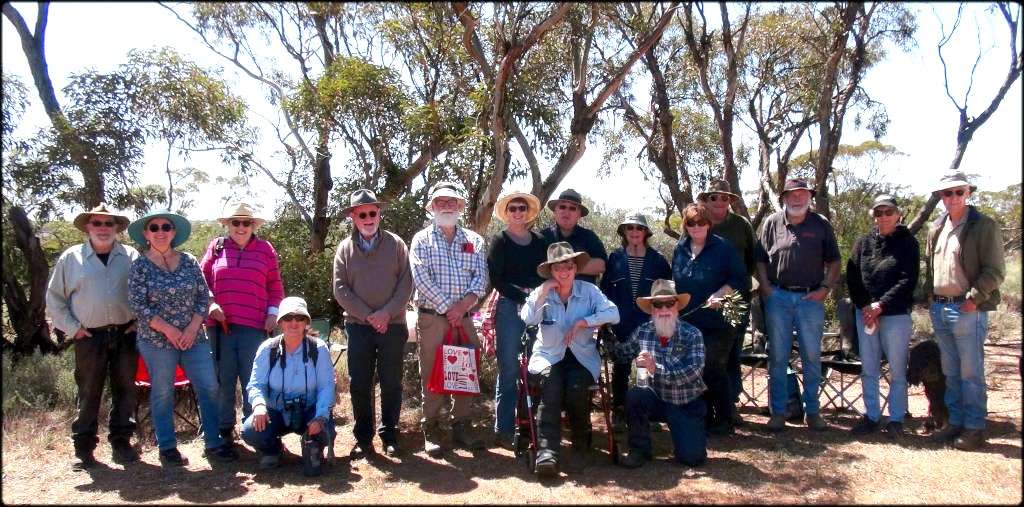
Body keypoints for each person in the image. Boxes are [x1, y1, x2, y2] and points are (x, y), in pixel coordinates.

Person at [127, 210, 237, 467]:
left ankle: (213, 442)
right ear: (146, 234)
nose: (161, 231)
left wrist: (191, 328)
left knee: (209, 387)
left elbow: (203, 295)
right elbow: (138, 306)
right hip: (157, 342)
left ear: (174, 232)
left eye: (166, 227)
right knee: (163, 392)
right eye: (154, 228)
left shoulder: (188, 261)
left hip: (194, 338)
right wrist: (169, 330)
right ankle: (167, 448)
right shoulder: (139, 266)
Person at [46, 204, 140, 471]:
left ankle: (122, 442)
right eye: (97, 223)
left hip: (125, 333)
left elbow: (145, 292)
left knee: (126, 389)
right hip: (89, 335)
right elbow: (54, 299)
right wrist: (73, 328)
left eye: (108, 224)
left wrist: (138, 322)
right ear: (88, 226)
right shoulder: (71, 258)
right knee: (88, 391)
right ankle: (84, 448)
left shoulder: (130, 256)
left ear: (116, 228)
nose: (103, 228)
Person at [521, 242, 619, 477]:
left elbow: (613, 314)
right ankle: (547, 452)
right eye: (557, 268)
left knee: (576, 388)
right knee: (551, 388)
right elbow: (528, 318)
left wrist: (584, 321)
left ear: (576, 268)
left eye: (568, 267)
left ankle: (580, 444)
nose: (563, 272)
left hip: (581, 357)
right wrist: (543, 291)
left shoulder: (589, 291)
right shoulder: (542, 292)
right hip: (548, 356)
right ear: (551, 271)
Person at [925, 172, 1005, 451]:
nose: (953, 198)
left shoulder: (983, 226)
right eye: (947, 193)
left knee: (971, 372)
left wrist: (973, 299)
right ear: (941, 197)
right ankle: (954, 422)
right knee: (951, 370)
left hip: (967, 309)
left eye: (959, 192)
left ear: (968, 193)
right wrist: (928, 297)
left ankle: (974, 428)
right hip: (940, 308)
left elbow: (995, 271)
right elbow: (931, 268)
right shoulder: (937, 227)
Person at [409, 182, 489, 457]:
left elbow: (481, 278)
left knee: (464, 371)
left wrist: (463, 306)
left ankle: (461, 425)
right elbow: (420, 278)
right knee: (431, 371)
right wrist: (448, 309)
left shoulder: (474, 241)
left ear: (460, 207)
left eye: (451, 202)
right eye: (440, 202)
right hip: (433, 318)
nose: (446, 206)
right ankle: (430, 428)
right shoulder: (421, 240)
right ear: (431, 207)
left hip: (464, 317)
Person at [755, 178, 841, 433]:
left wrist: (825, 289)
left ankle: (813, 412)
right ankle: (778, 413)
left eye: (802, 194)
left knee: (811, 357)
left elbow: (835, 262)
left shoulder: (821, 224)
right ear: (783, 197)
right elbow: (759, 260)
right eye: (792, 194)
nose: (797, 198)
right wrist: (766, 288)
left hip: (810, 300)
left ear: (809, 197)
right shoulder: (771, 223)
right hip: (778, 298)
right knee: (778, 357)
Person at [332, 189, 413, 458]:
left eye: (372, 213)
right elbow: (340, 289)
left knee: (391, 382)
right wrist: (369, 315)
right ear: (353, 217)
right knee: (359, 384)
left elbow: (406, 285)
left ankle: (390, 434)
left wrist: (386, 314)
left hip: (393, 325)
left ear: (379, 214)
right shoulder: (344, 249)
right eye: (362, 214)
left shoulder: (397, 244)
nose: (368, 218)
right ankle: (363, 438)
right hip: (358, 326)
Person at [200, 202, 285, 445]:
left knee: (253, 380)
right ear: (227, 224)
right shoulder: (216, 248)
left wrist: (273, 313)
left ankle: (255, 430)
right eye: (235, 222)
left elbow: (274, 286)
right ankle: (224, 431)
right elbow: (201, 280)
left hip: (255, 327)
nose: (240, 227)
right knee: (223, 380)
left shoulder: (265, 250)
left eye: (246, 222)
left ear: (252, 225)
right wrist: (210, 303)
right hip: (220, 327)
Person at [846, 195, 920, 440]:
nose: (884, 217)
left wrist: (881, 305)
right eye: (879, 213)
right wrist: (866, 306)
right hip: (865, 314)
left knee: (898, 369)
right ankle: (872, 416)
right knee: (869, 368)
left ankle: (896, 418)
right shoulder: (863, 243)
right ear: (874, 216)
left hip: (895, 314)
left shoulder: (909, 243)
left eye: (889, 212)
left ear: (898, 214)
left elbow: (907, 280)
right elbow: (853, 276)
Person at [672, 204, 749, 435]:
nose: (697, 227)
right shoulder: (680, 249)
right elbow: (674, 280)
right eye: (691, 223)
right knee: (695, 368)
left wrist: (720, 294)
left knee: (714, 366)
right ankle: (703, 418)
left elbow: (740, 279)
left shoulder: (723, 248)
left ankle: (725, 419)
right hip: (689, 321)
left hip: (719, 321)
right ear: (686, 225)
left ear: (709, 224)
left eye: (701, 222)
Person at [617, 279, 707, 469]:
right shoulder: (643, 331)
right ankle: (639, 450)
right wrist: (603, 335)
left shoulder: (693, 334)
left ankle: (686, 437)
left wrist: (655, 368)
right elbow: (621, 354)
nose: (664, 308)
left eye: (669, 303)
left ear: (677, 307)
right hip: (656, 398)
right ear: (651, 309)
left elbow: (692, 372)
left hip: (685, 402)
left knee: (692, 458)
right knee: (635, 395)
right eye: (658, 304)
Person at [242, 296, 336, 470]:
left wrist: (321, 417)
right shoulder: (267, 349)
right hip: (276, 411)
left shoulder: (319, 348)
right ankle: (273, 450)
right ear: (280, 323)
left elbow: (327, 386)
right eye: (288, 318)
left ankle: (311, 446)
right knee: (250, 431)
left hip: (309, 410)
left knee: (327, 431)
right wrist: (259, 405)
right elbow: (256, 384)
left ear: (306, 322)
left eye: (299, 318)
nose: (294, 323)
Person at [486, 190, 549, 449]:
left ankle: (531, 424)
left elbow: (546, 272)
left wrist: (535, 297)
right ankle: (503, 427)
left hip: (539, 306)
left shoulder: (540, 241)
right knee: (509, 366)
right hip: (509, 307)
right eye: (513, 208)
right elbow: (496, 279)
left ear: (528, 212)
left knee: (536, 366)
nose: (518, 212)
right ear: (507, 213)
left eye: (522, 208)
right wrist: (521, 296)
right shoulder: (499, 241)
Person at [599, 212, 670, 426]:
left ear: (646, 232)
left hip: (648, 324)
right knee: (620, 369)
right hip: (620, 323)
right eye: (630, 228)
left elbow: (667, 293)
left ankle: (646, 412)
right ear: (623, 232)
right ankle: (619, 410)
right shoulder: (615, 258)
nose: (635, 232)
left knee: (646, 368)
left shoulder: (657, 260)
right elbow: (605, 291)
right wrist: (606, 321)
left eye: (639, 228)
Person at [698, 180, 756, 424]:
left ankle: (729, 405)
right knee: (705, 354)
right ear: (707, 200)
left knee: (731, 353)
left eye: (725, 198)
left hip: (734, 300)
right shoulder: (699, 223)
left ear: (730, 201)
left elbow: (753, 258)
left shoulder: (741, 225)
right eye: (714, 198)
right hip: (706, 301)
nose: (720, 202)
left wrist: (743, 285)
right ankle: (705, 406)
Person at [540, 189, 607, 285]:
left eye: (572, 208)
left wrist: (569, 270)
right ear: (555, 210)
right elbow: (537, 267)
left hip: (585, 297)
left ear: (579, 214)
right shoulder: (543, 237)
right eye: (562, 207)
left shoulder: (589, 237)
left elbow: (601, 265)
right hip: (551, 296)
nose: (566, 211)